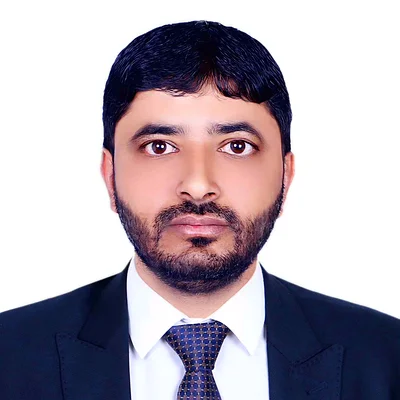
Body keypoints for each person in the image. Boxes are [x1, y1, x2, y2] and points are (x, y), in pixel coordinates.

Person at [0, 20, 399, 400]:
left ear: (285, 175)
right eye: (159, 146)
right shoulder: (10, 356)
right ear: (110, 175)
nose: (197, 184)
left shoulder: (387, 357)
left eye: (237, 146)